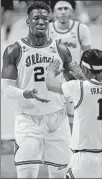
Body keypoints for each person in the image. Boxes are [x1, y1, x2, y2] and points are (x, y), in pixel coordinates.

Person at [1, 1, 77, 178]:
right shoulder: (14, 50)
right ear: (28, 22)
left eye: (45, 18)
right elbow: (6, 90)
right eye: (36, 18)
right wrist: (24, 93)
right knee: (27, 175)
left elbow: (74, 85)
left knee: (60, 174)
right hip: (28, 122)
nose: (41, 21)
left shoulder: (62, 50)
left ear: (49, 21)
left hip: (57, 120)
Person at [46, 49, 102, 178]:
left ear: (86, 69)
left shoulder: (78, 87)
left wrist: (50, 71)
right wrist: (84, 77)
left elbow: (50, 84)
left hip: (84, 160)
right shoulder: (81, 85)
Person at [49, 0, 91, 122]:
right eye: (59, 9)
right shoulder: (47, 29)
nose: (63, 12)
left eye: (66, 8)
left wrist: (86, 78)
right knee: (55, 118)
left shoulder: (81, 29)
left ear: (72, 11)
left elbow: (88, 56)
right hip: (55, 80)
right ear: (53, 12)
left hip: (74, 78)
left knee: (76, 118)